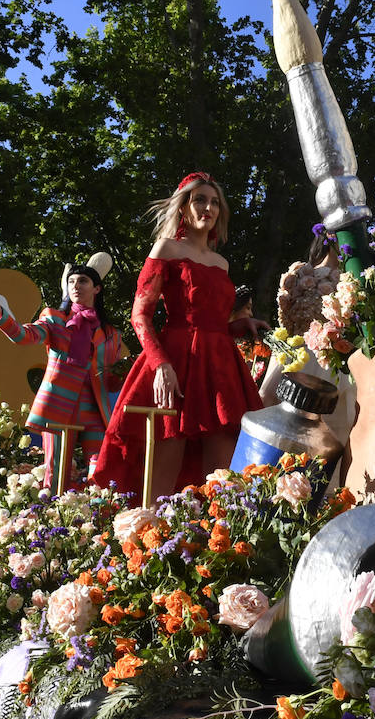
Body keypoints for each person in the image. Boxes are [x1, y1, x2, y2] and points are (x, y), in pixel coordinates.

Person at [92, 173, 268, 499]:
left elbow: (212, 322)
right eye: (200, 199)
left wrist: (239, 327)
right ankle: (152, 542)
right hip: (176, 364)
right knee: (162, 475)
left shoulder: (222, 263)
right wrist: (160, 365)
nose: (208, 207)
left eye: (215, 202)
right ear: (184, 206)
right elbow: (140, 315)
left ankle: (219, 539)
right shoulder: (166, 249)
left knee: (224, 478)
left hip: (221, 367)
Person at [0, 253, 126, 490]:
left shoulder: (112, 334)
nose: (76, 286)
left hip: (95, 408)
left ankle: (98, 517)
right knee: (56, 471)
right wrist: (0, 313)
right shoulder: (54, 319)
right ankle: (52, 520)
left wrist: (121, 374)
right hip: (59, 406)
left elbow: (113, 373)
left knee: (100, 468)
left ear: (97, 289)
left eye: (82, 281)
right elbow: (23, 336)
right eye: (71, 281)